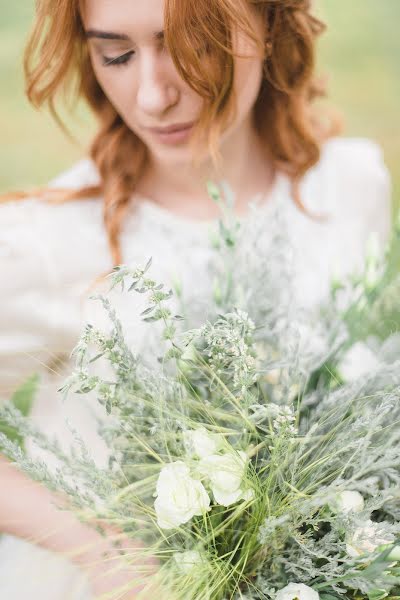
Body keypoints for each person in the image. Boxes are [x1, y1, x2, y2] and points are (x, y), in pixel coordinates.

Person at [0, 0, 392, 598]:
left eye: (196, 47)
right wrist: (104, 546)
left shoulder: (351, 183)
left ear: (270, 23)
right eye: (117, 55)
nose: (153, 96)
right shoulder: (49, 240)